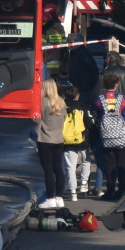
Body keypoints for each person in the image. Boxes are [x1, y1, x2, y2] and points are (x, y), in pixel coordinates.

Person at [96, 69, 125, 201]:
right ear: (116, 85)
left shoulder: (99, 100)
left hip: (107, 136)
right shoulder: (122, 99)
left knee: (109, 163)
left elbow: (97, 115)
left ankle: (110, 190)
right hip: (121, 135)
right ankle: (122, 189)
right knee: (123, 163)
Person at [36, 79, 72, 207]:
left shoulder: (42, 103)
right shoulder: (61, 102)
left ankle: (50, 198)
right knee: (58, 169)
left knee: (48, 170)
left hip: (45, 139)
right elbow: (63, 119)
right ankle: (59, 198)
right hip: (58, 139)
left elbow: (36, 120)